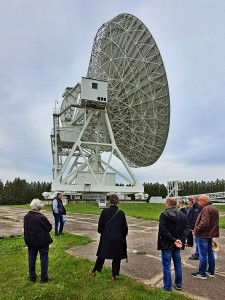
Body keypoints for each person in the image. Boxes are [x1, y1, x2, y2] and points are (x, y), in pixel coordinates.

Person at [90, 194, 128, 280]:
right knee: (116, 257)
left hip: (106, 238)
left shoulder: (104, 211)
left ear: (109, 201)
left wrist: (105, 233)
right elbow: (124, 228)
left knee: (101, 255)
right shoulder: (121, 213)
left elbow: (100, 228)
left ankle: (94, 271)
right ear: (118, 201)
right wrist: (122, 236)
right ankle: (114, 275)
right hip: (117, 239)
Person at [157, 197, 189, 291]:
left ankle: (167, 287)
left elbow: (163, 231)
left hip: (167, 244)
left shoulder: (164, 214)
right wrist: (180, 240)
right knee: (177, 264)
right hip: (176, 244)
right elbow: (187, 229)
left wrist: (175, 240)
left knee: (166, 265)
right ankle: (178, 284)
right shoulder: (182, 215)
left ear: (167, 204)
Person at [24, 199, 53, 283]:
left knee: (31, 258)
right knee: (44, 258)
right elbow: (49, 228)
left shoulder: (26, 216)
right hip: (42, 241)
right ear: (39, 207)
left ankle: (32, 277)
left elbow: (25, 228)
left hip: (30, 241)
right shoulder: (41, 217)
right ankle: (44, 278)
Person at [191, 194, 219, 279]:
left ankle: (202, 273)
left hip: (203, 235)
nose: (198, 203)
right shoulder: (213, 208)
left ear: (203, 201)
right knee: (210, 253)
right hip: (210, 235)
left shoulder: (206, 209)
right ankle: (211, 271)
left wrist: (196, 230)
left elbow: (204, 223)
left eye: (199, 201)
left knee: (203, 255)